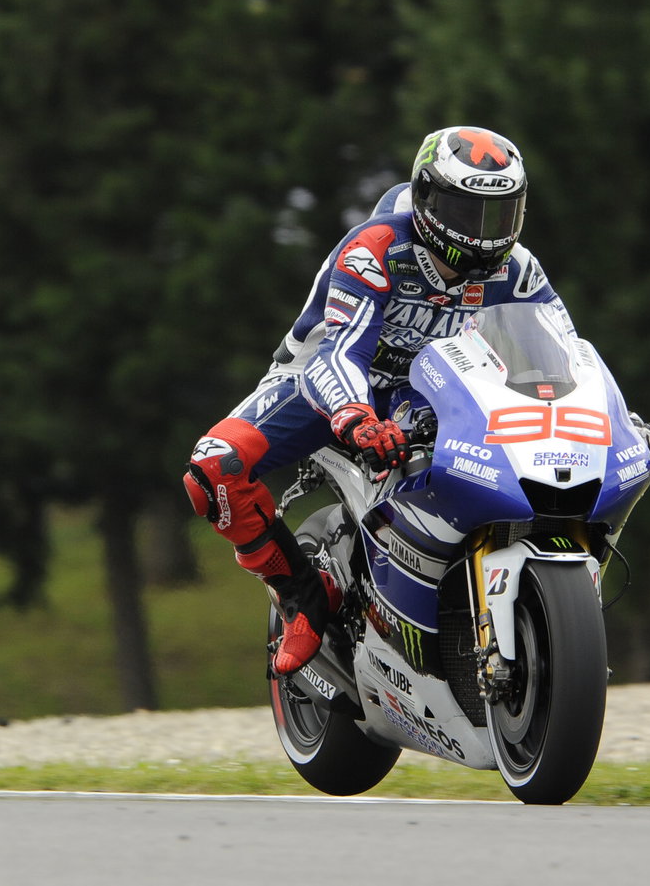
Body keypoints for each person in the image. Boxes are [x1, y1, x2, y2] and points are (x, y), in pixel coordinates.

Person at [182, 126, 572, 675]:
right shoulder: (377, 248)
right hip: (321, 382)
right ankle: (299, 594)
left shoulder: (519, 269)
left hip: (424, 387)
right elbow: (340, 350)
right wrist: (355, 417)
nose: (486, 235)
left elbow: (564, 355)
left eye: (501, 214)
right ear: (429, 199)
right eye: (469, 214)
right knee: (211, 469)